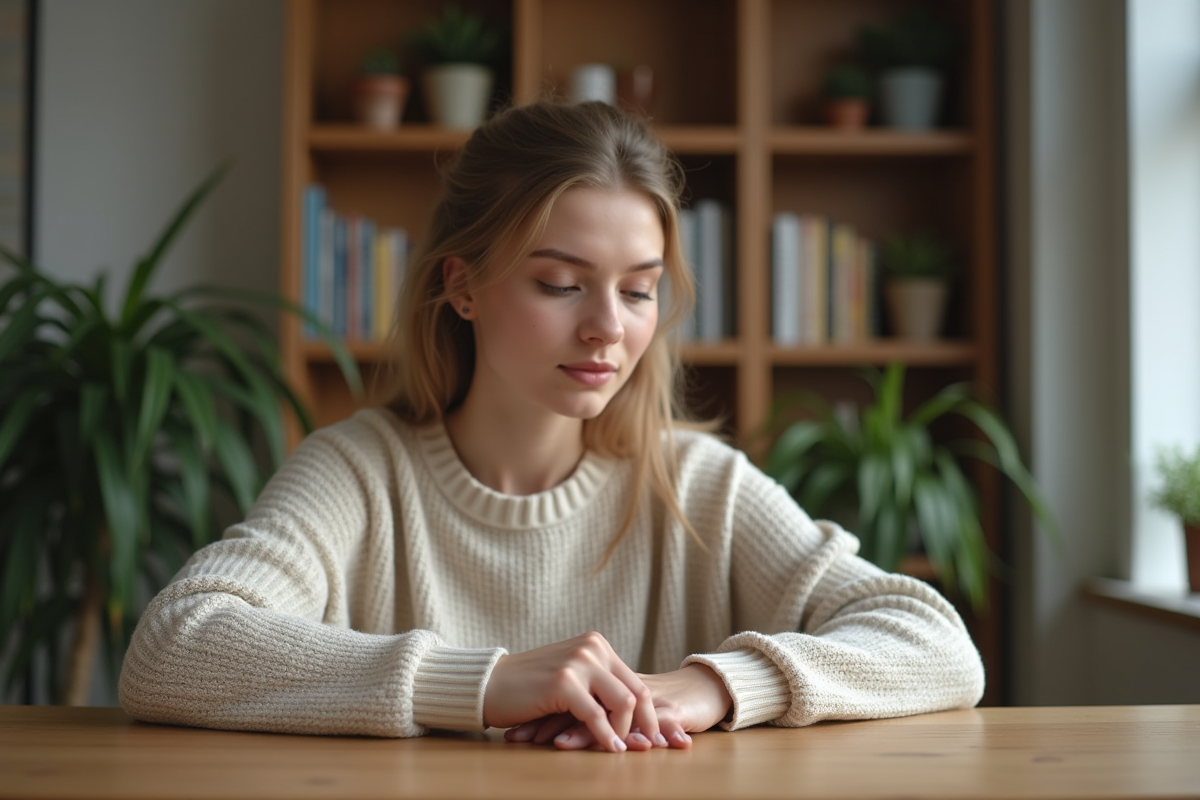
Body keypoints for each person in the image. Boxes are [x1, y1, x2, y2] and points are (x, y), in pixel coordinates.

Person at [119, 100, 984, 753]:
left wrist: (716, 683)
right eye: (561, 283)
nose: (609, 327)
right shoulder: (359, 472)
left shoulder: (697, 482)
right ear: (462, 287)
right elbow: (173, 647)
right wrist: (484, 683)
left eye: (639, 289)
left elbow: (939, 645)